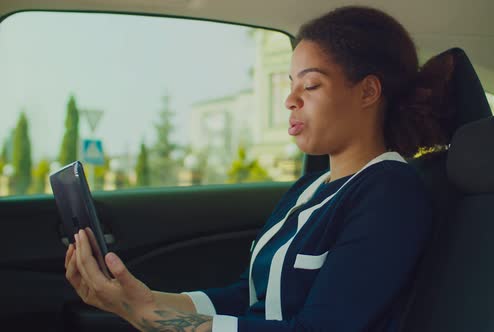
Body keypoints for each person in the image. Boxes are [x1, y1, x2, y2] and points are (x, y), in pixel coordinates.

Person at [65, 5, 453, 332]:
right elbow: (249, 298)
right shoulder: (309, 189)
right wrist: (141, 301)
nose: (289, 100)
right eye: (290, 84)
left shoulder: (389, 194)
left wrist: (149, 317)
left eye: (311, 85)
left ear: (368, 92)